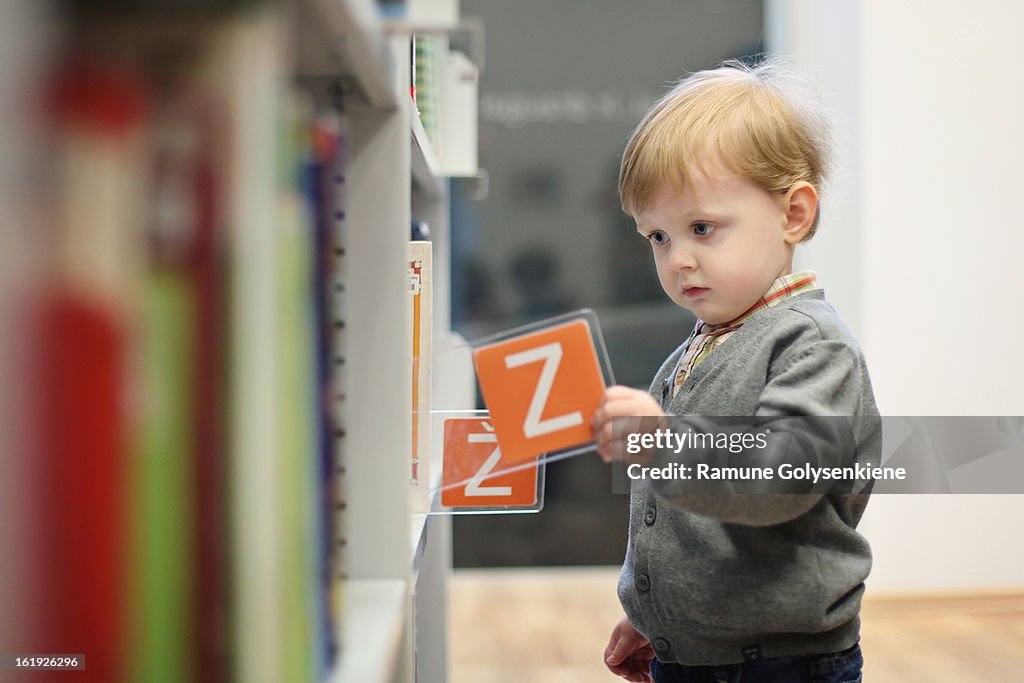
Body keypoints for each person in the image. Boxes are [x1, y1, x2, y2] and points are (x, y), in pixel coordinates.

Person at [591, 57, 880, 683]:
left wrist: (665, 444)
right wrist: (655, 613)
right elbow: (691, 523)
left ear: (793, 215)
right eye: (658, 237)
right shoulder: (700, 347)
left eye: (702, 228)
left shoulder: (813, 348)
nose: (678, 260)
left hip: (782, 663)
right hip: (697, 652)